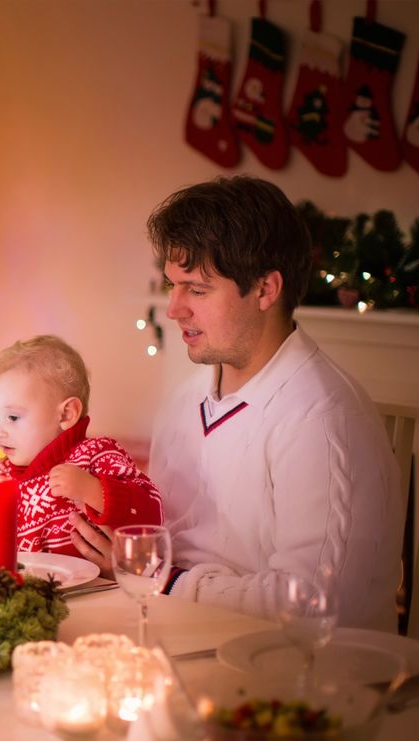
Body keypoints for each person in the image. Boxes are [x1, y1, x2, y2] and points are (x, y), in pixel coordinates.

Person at [72, 176, 401, 630]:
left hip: (297, 673)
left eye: (198, 290)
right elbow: (168, 535)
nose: (174, 309)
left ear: (266, 289)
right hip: (180, 630)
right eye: (172, 285)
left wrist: (162, 579)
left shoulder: (323, 422)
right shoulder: (188, 398)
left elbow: (313, 606)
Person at [0, 335, 161, 557]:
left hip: (97, 594)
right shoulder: (4, 477)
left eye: (13, 417)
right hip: (31, 595)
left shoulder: (98, 455)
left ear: (66, 414)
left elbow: (152, 515)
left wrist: (93, 490)